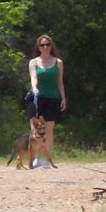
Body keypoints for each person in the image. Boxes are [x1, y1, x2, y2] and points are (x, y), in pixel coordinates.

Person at [27, 34, 66, 167]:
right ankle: (35, 157)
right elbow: (33, 77)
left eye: (47, 45)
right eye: (42, 45)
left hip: (53, 97)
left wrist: (63, 98)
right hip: (37, 97)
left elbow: (60, 82)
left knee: (49, 129)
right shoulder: (33, 62)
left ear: (51, 46)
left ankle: (46, 159)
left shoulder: (58, 63)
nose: (45, 47)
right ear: (38, 47)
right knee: (35, 129)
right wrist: (34, 88)